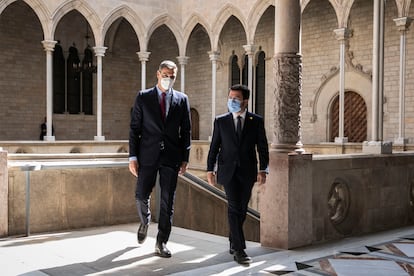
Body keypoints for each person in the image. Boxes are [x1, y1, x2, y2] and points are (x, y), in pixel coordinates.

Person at [129, 60, 191, 258]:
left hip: (171, 157)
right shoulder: (143, 97)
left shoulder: (182, 99)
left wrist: (185, 157)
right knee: (140, 194)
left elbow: (186, 131)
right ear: (158, 74)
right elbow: (134, 129)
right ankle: (145, 221)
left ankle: (161, 242)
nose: (169, 79)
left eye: (172, 76)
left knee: (167, 201)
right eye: (165, 75)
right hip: (147, 155)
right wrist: (132, 156)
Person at [207, 84, 269, 265]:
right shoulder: (220, 121)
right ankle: (240, 249)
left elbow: (262, 147)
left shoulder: (255, 121)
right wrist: (210, 169)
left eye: (236, 98)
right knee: (234, 207)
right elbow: (214, 147)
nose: (232, 101)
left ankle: (233, 239)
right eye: (230, 98)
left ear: (245, 101)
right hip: (227, 171)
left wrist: (263, 169)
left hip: (248, 171)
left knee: (241, 209)